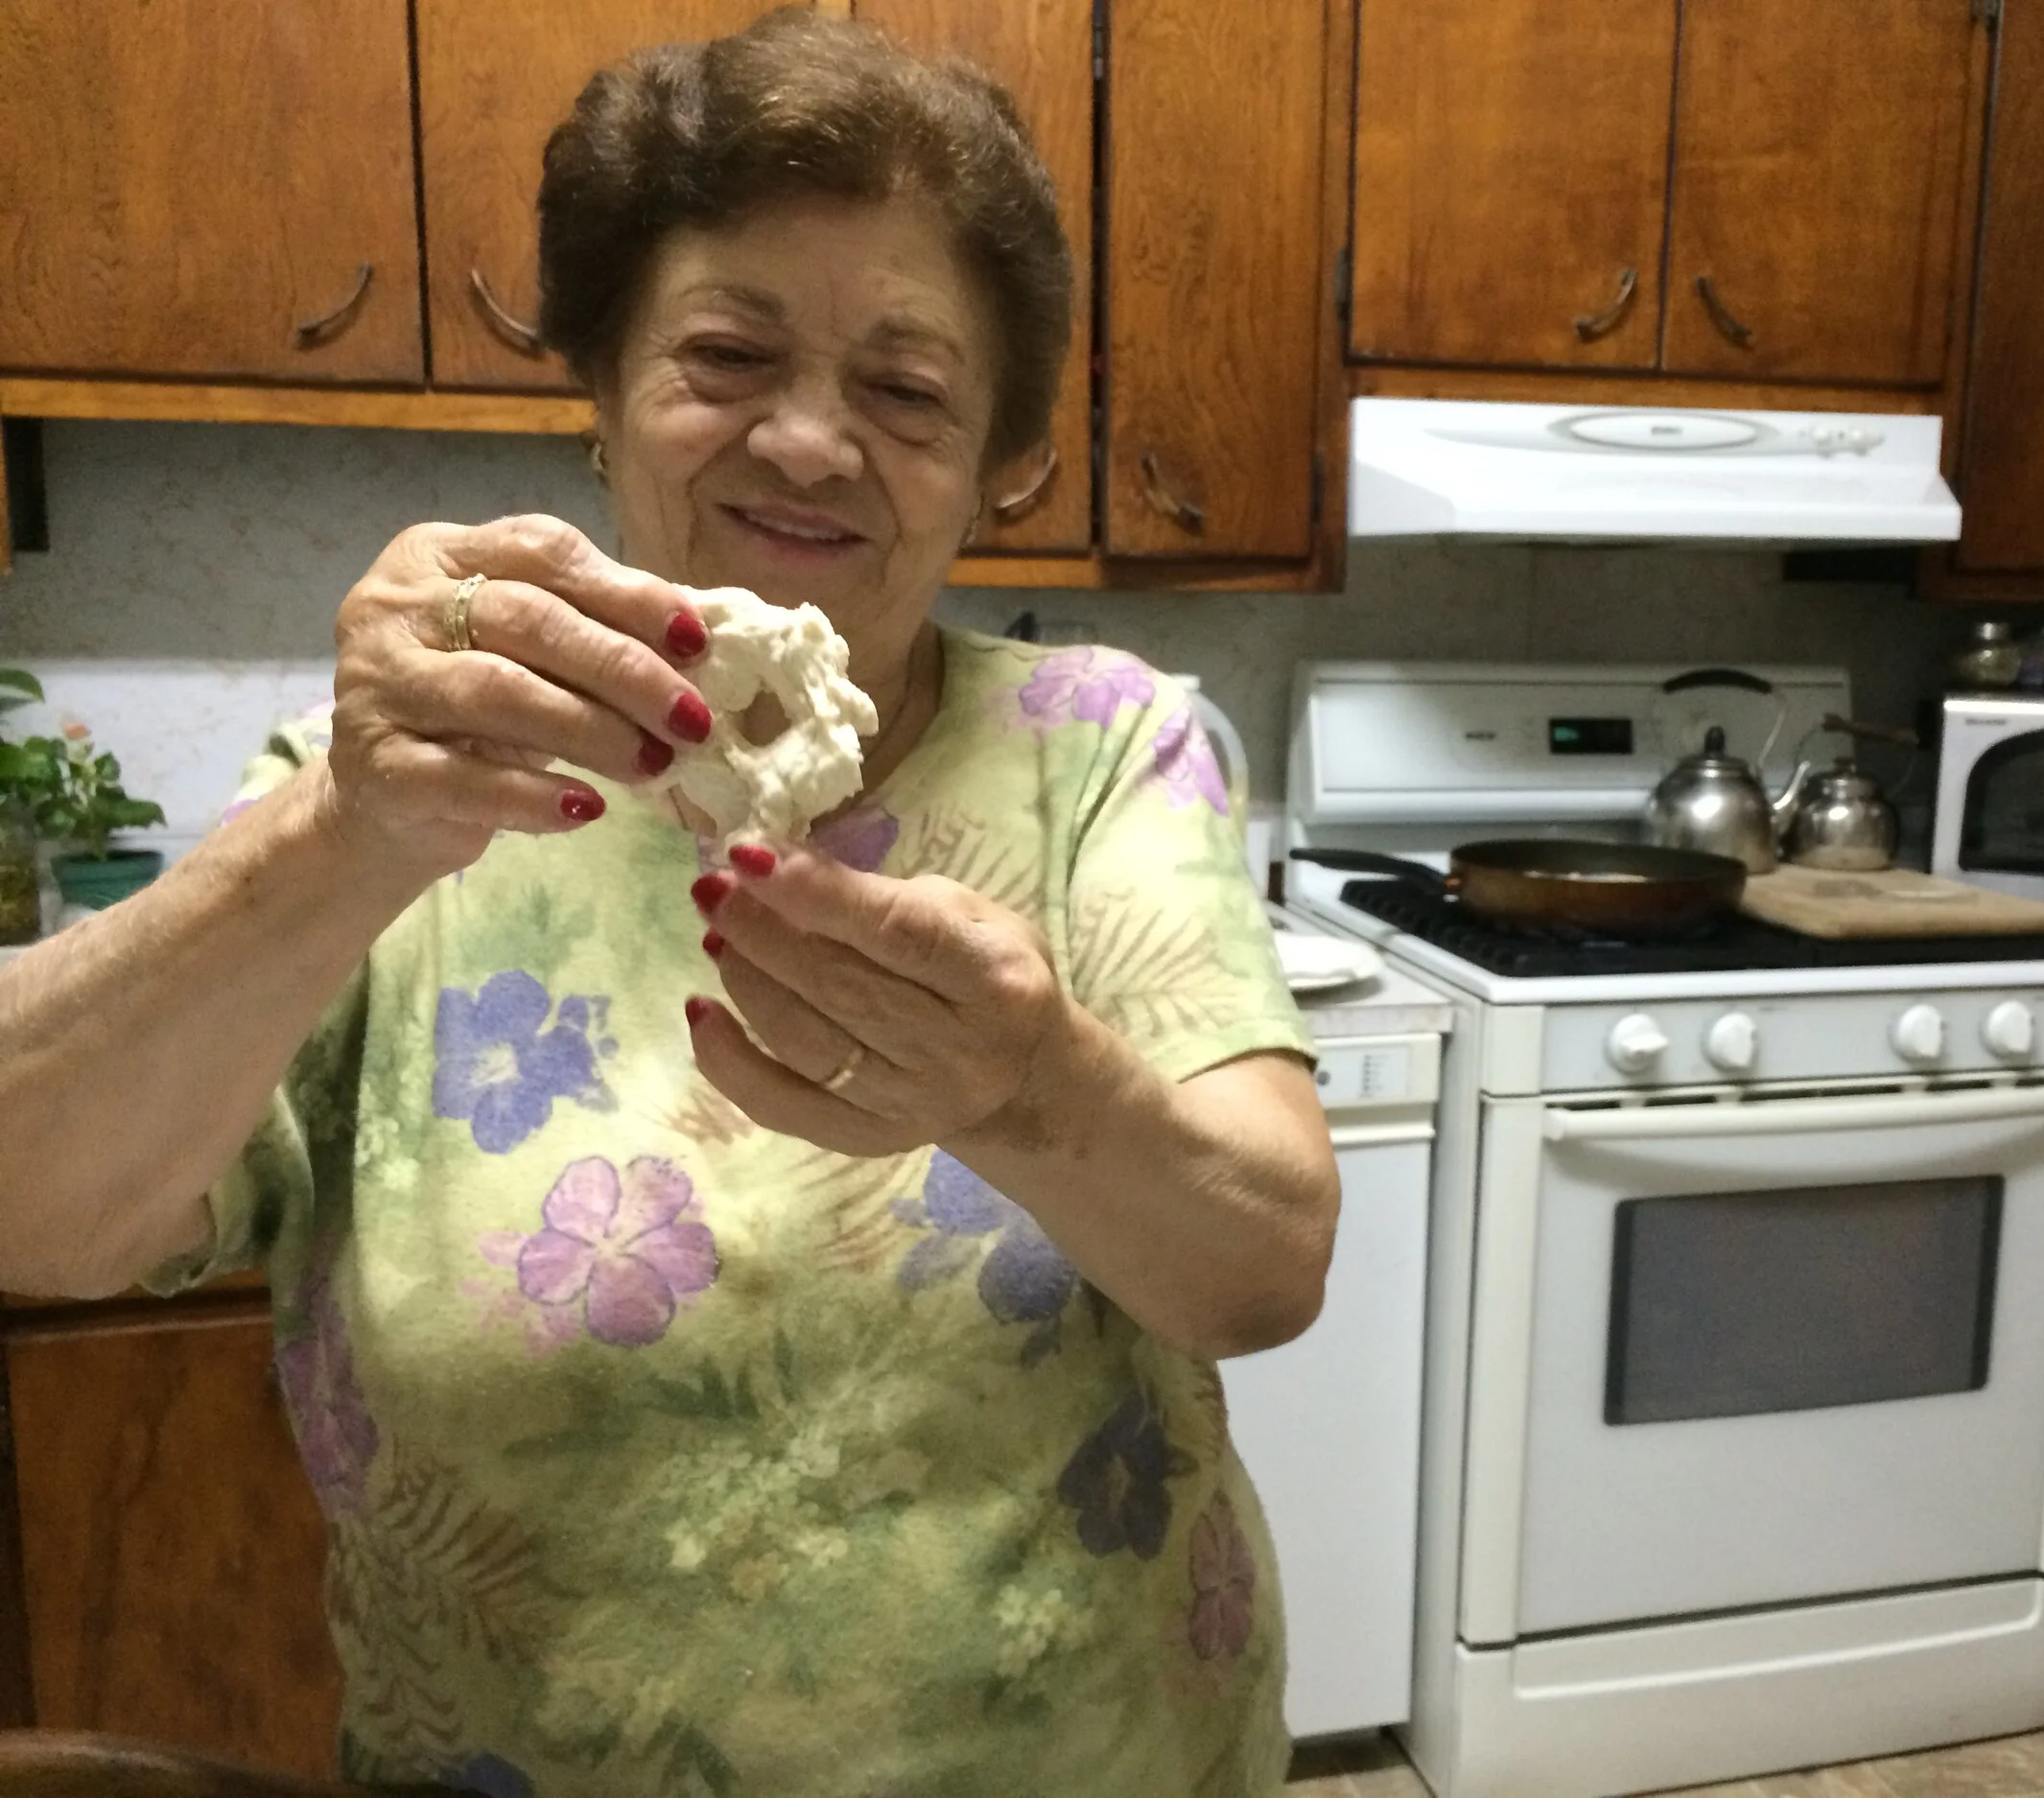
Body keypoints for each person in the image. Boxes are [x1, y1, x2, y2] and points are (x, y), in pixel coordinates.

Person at [0, 12, 1339, 1795]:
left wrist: (1034, 1093)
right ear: (603, 387)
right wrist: (336, 830)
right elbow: (39, 1217)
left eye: (907, 388)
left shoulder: (1100, 744)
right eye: (727, 352)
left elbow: (1262, 1270)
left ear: (993, 460)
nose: (808, 439)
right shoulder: (395, 782)